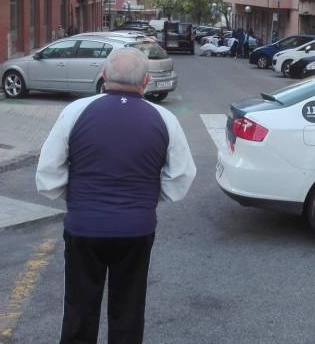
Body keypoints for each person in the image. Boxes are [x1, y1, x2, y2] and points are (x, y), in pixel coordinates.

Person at [36, 47, 196, 344]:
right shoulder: (164, 119)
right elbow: (181, 177)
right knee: (128, 310)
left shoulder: (75, 112)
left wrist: (76, 197)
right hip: (136, 227)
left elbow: (48, 173)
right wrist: (148, 198)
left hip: (85, 226)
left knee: (80, 309)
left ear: (104, 75)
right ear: (146, 81)